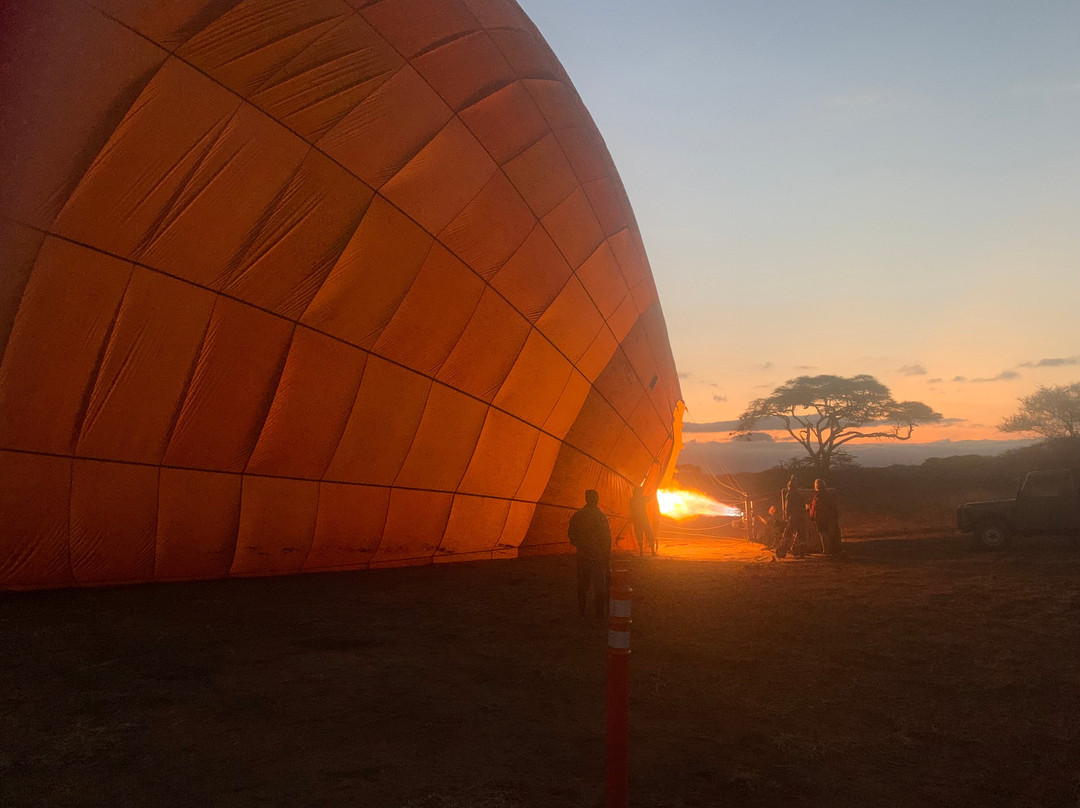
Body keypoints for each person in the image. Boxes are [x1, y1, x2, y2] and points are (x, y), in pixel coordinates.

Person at [567, 489, 613, 618]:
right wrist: (606, 556)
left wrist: (581, 546)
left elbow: (571, 534)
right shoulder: (600, 516)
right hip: (598, 557)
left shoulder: (578, 516)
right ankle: (599, 615)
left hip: (583, 556)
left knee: (583, 584)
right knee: (599, 585)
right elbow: (607, 538)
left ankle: (582, 612)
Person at [776, 478, 809, 558]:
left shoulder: (789, 495)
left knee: (787, 534)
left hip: (793, 517)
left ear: (789, 487)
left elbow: (788, 507)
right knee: (801, 535)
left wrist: (787, 516)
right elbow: (803, 506)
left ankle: (783, 550)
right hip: (801, 517)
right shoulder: (800, 495)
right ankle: (801, 553)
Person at [811, 478, 842, 555]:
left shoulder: (818, 496)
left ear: (816, 486)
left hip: (821, 518)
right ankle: (832, 549)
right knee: (829, 533)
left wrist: (811, 511)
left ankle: (826, 550)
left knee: (823, 533)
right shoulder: (829, 494)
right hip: (829, 517)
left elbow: (817, 507)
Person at [628, 486, 657, 556]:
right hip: (643, 520)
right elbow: (650, 498)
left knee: (639, 536)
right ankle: (652, 551)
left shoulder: (632, 500)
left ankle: (641, 552)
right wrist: (655, 491)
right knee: (649, 534)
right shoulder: (642, 498)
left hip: (636, 521)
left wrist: (631, 518)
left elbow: (631, 511)